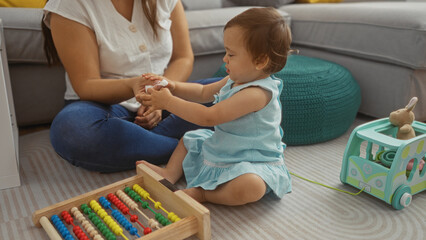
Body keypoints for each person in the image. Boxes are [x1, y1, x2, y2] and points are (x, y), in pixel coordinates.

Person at [137, 7, 292, 206]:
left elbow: (209, 117)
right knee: (189, 139)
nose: (224, 59)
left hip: (252, 161)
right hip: (224, 148)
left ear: (260, 61)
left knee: (251, 186)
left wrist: (168, 102)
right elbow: (202, 92)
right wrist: (173, 85)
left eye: (231, 54)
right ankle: (169, 173)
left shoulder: (256, 93)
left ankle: (205, 195)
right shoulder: (234, 79)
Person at [42, 0, 219, 172]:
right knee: (74, 131)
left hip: (166, 97)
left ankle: (145, 142)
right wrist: (132, 86)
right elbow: (86, 85)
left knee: (234, 91)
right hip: (102, 107)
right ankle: (190, 145)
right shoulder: (68, 5)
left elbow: (183, 57)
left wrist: (161, 97)